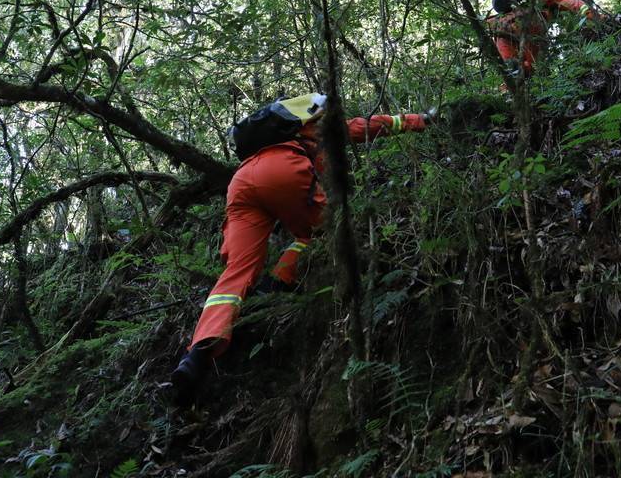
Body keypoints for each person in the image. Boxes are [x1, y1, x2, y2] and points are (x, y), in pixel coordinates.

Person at [170, 94, 432, 405]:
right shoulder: (314, 126)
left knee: (236, 271)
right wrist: (420, 121)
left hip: (242, 181)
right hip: (284, 168)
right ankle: (280, 282)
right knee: (322, 231)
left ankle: (196, 354)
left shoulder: (281, 125)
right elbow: (363, 127)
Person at [485, 0, 599, 78]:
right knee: (533, 65)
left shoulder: (510, 3)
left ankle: (513, 87)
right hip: (530, 24)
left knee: (510, 68)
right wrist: (596, 19)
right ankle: (532, 80)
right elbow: (574, 5)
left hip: (502, 29)